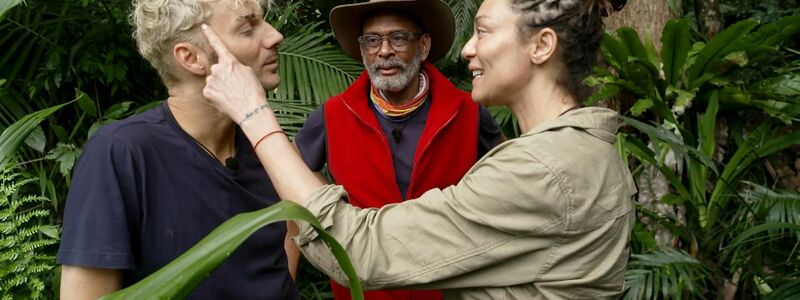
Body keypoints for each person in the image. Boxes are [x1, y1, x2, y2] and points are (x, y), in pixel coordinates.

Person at [201, 0, 634, 298]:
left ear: (541, 46)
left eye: (482, 31)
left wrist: (254, 113)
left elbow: (361, 249)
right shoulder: (576, 154)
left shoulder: (537, 167)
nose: (467, 49)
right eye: (372, 41)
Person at [56, 0, 299, 299]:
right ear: (191, 57)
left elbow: (292, 228)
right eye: (248, 28)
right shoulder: (122, 153)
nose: (275, 36)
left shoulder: (268, 146)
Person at [293, 0, 502, 298]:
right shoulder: (333, 115)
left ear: (424, 45)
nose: (385, 51)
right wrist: (329, 208)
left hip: (448, 289)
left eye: (399, 38)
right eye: (372, 40)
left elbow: (507, 174)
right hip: (363, 290)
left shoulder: (468, 113)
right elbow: (289, 172)